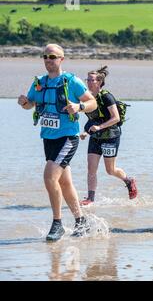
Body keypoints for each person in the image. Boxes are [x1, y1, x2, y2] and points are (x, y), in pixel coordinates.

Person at [17, 44, 97, 241]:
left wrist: (79, 106)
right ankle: (81, 221)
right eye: (45, 56)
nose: (48, 60)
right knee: (64, 181)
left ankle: (57, 223)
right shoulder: (39, 83)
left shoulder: (71, 81)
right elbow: (31, 104)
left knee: (49, 177)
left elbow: (92, 102)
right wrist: (24, 103)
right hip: (48, 138)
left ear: (61, 59)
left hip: (67, 137)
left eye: (52, 56)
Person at [79, 66, 138, 206]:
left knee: (110, 170)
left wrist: (99, 127)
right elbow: (93, 119)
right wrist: (86, 132)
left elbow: (116, 118)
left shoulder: (106, 96)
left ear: (99, 82)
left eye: (91, 80)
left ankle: (128, 180)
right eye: (87, 79)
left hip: (111, 136)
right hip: (95, 137)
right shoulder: (87, 98)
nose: (88, 82)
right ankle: (90, 198)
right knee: (91, 168)